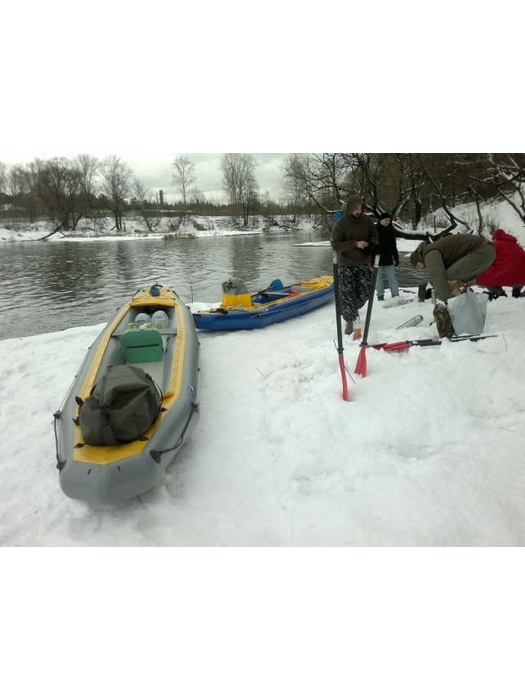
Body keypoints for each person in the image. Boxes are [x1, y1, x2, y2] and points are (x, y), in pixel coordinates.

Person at [410, 233, 496, 337]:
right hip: (488, 251)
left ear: (419, 259)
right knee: (456, 279)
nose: (421, 268)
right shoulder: (432, 249)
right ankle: (466, 310)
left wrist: (447, 300)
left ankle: (456, 312)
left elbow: (437, 277)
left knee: (448, 277)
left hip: (481, 252)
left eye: (418, 265)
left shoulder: (429, 255)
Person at [331, 194, 378, 335]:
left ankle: (353, 308)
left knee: (365, 292)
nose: (358, 211)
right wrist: (355, 244)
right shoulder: (342, 223)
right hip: (346, 264)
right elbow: (335, 244)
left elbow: (374, 235)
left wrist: (371, 243)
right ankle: (349, 320)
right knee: (347, 293)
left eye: (361, 208)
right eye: (356, 208)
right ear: (350, 208)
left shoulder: (367, 221)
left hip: (363, 262)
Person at [476, 229, 525, 300]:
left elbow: (487, 262)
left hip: (504, 277)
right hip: (521, 280)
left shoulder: (495, 246)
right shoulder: (518, 246)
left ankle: (499, 293)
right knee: (519, 273)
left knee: (482, 276)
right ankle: (516, 291)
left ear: (495, 237)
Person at [374, 212, 400, 301]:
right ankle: (380, 295)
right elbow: (371, 245)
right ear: (381, 220)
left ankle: (395, 294)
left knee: (392, 277)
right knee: (378, 278)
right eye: (386, 220)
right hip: (377, 258)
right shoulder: (374, 230)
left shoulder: (390, 230)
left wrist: (396, 257)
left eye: (389, 220)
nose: (387, 222)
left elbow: (394, 245)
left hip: (388, 257)